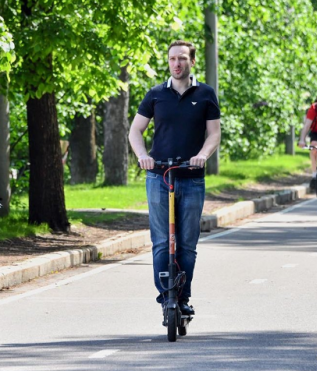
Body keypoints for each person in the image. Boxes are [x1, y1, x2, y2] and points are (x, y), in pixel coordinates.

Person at [128, 40, 221, 316]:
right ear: (168, 62)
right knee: (160, 242)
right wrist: (142, 155)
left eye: (182, 58)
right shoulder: (156, 94)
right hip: (159, 177)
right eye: (172, 59)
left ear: (192, 61)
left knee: (187, 244)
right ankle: (166, 296)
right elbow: (135, 131)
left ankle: (183, 297)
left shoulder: (205, 94)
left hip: (191, 178)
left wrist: (203, 155)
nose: (177, 63)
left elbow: (214, 134)